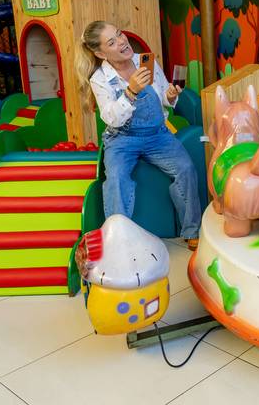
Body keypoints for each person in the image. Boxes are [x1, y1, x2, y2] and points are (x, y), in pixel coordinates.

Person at [76, 21, 201, 250]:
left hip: (157, 134)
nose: (122, 41)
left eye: (119, 34)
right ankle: (119, 241)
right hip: (122, 138)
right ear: (101, 53)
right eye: (112, 42)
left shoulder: (144, 61)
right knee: (116, 178)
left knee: (185, 168)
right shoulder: (100, 79)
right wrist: (131, 91)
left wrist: (171, 95)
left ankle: (191, 230)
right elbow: (112, 118)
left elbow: (163, 98)